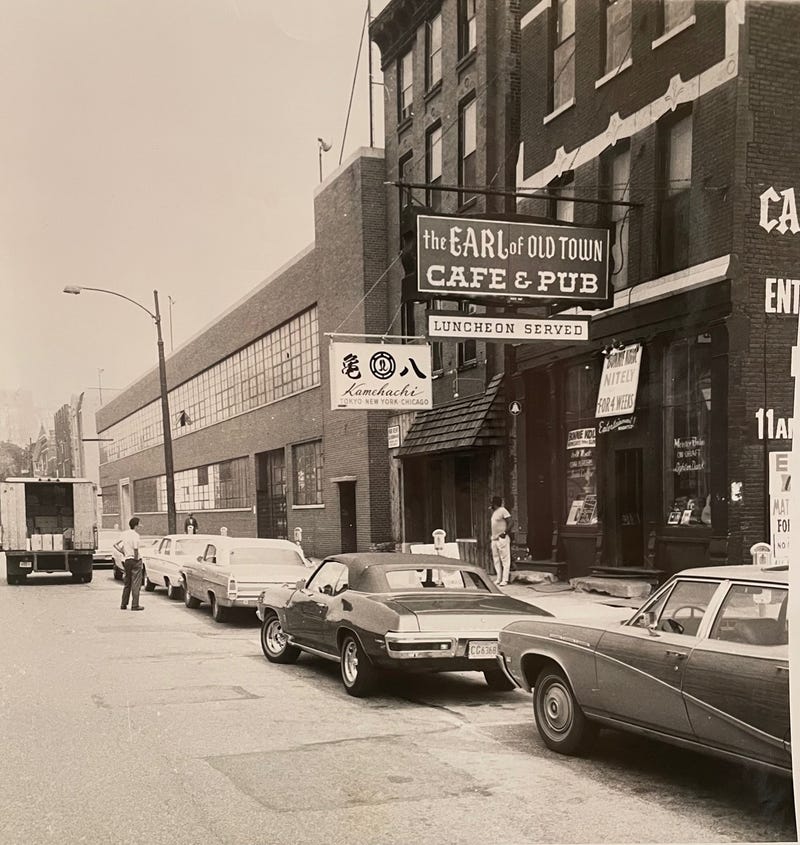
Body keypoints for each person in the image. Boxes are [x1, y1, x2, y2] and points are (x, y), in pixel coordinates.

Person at [114, 517, 144, 611]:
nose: (140, 526)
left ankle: (123, 604)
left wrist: (123, 552)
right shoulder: (136, 535)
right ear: (136, 525)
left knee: (127, 583)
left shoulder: (124, 534)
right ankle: (135, 605)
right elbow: (136, 548)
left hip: (127, 560)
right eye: (139, 524)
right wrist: (136, 558)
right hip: (134, 560)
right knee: (136, 583)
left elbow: (115, 545)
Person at [490, 495, 512, 586]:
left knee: (505, 559)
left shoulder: (503, 510)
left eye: (492, 503)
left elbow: (511, 522)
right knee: (496, 560)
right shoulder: (494, 512)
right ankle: (499, 578)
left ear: (494, 503)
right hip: (494, 539)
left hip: (501, 538)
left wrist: (505, 532)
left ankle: (505, 579)